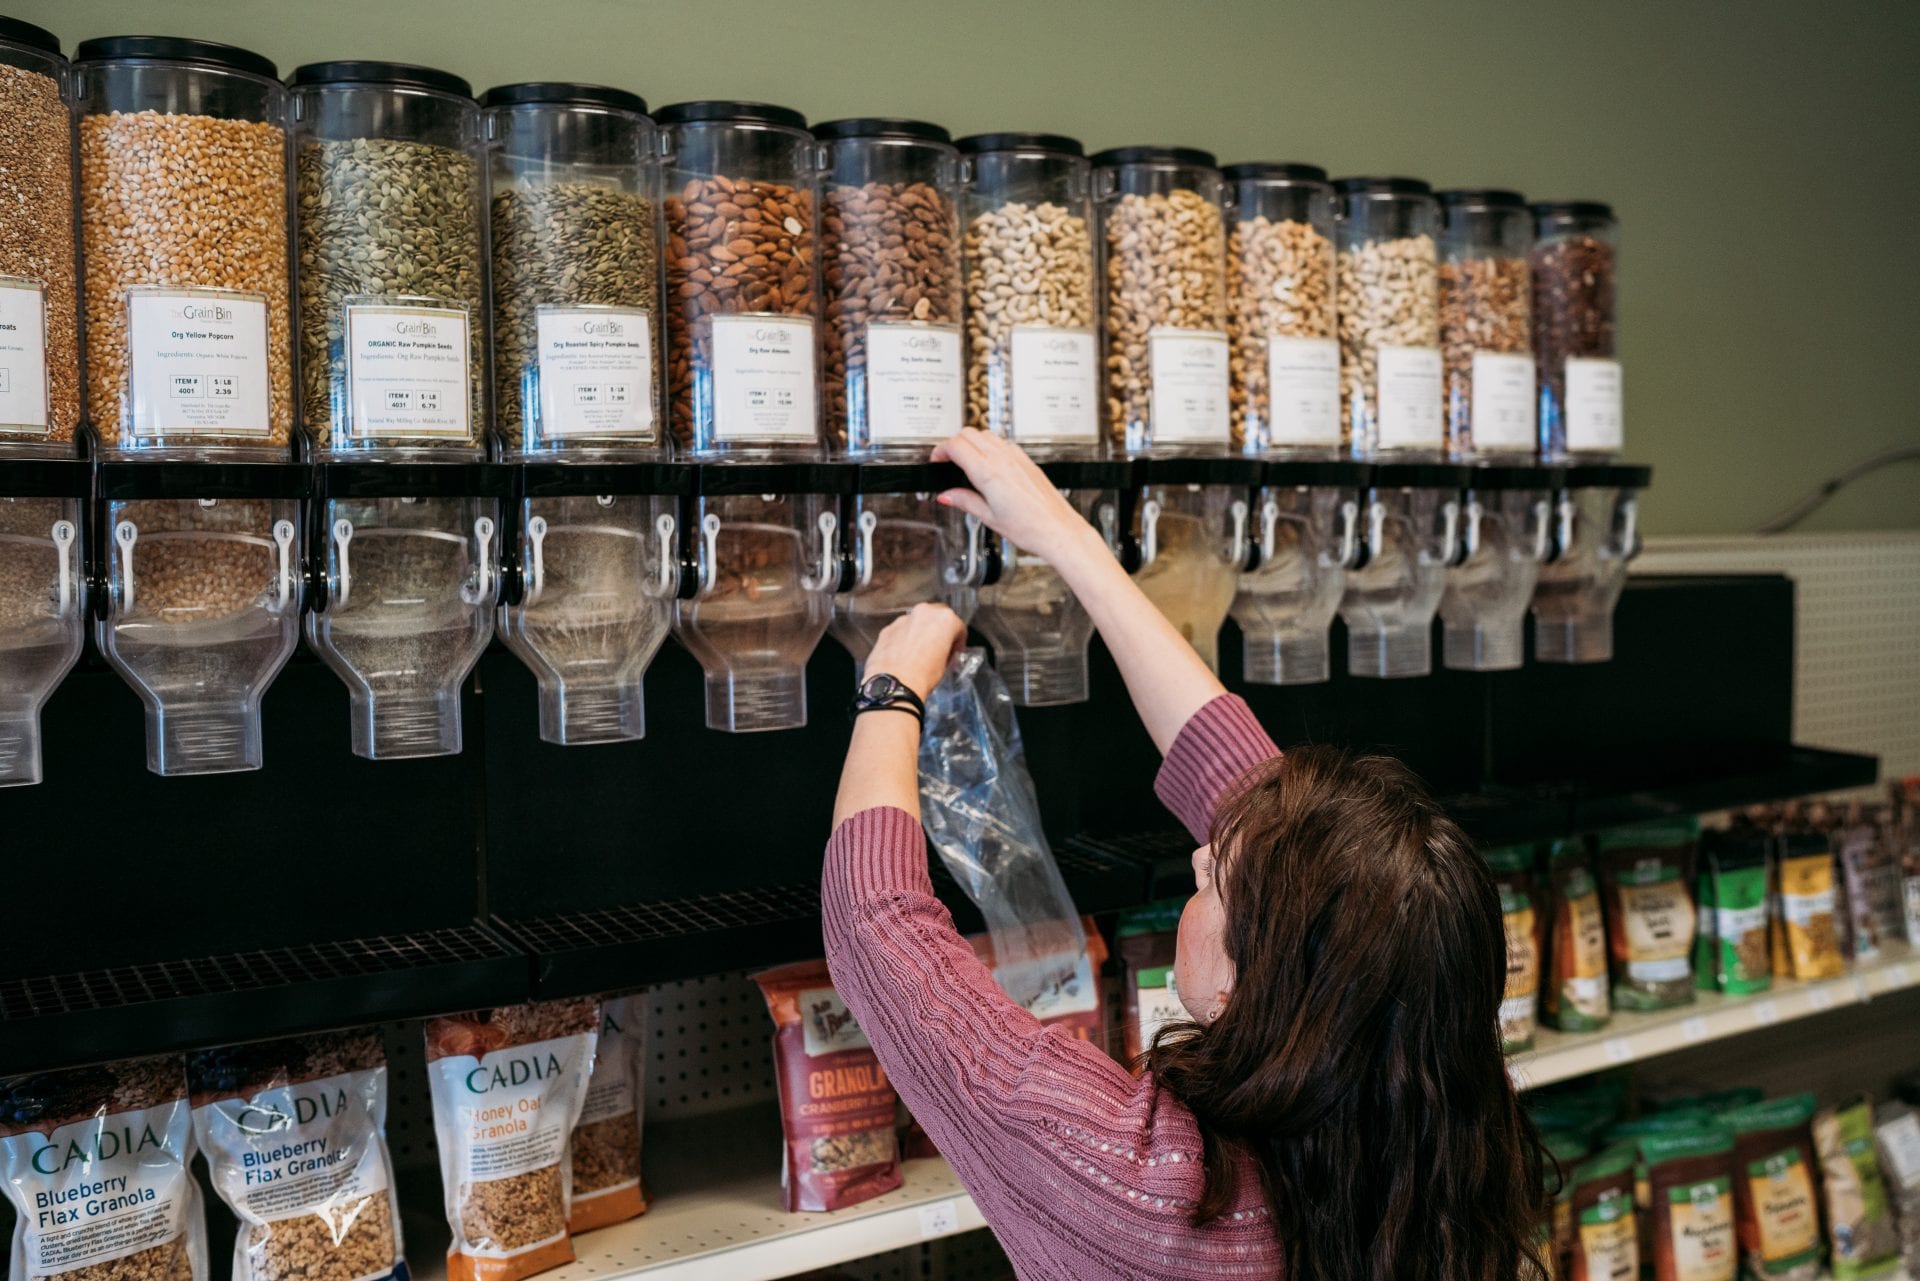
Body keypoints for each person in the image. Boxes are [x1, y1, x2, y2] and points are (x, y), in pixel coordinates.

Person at [823, 429, 1545, 1281]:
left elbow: (879, 931)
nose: (1198, 864)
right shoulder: (1443, 1122)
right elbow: (1257, 802)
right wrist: (1068, 539)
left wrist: (891, 686)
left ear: (1255, 986)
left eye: (1212, 883)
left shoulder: (1152, 1185)